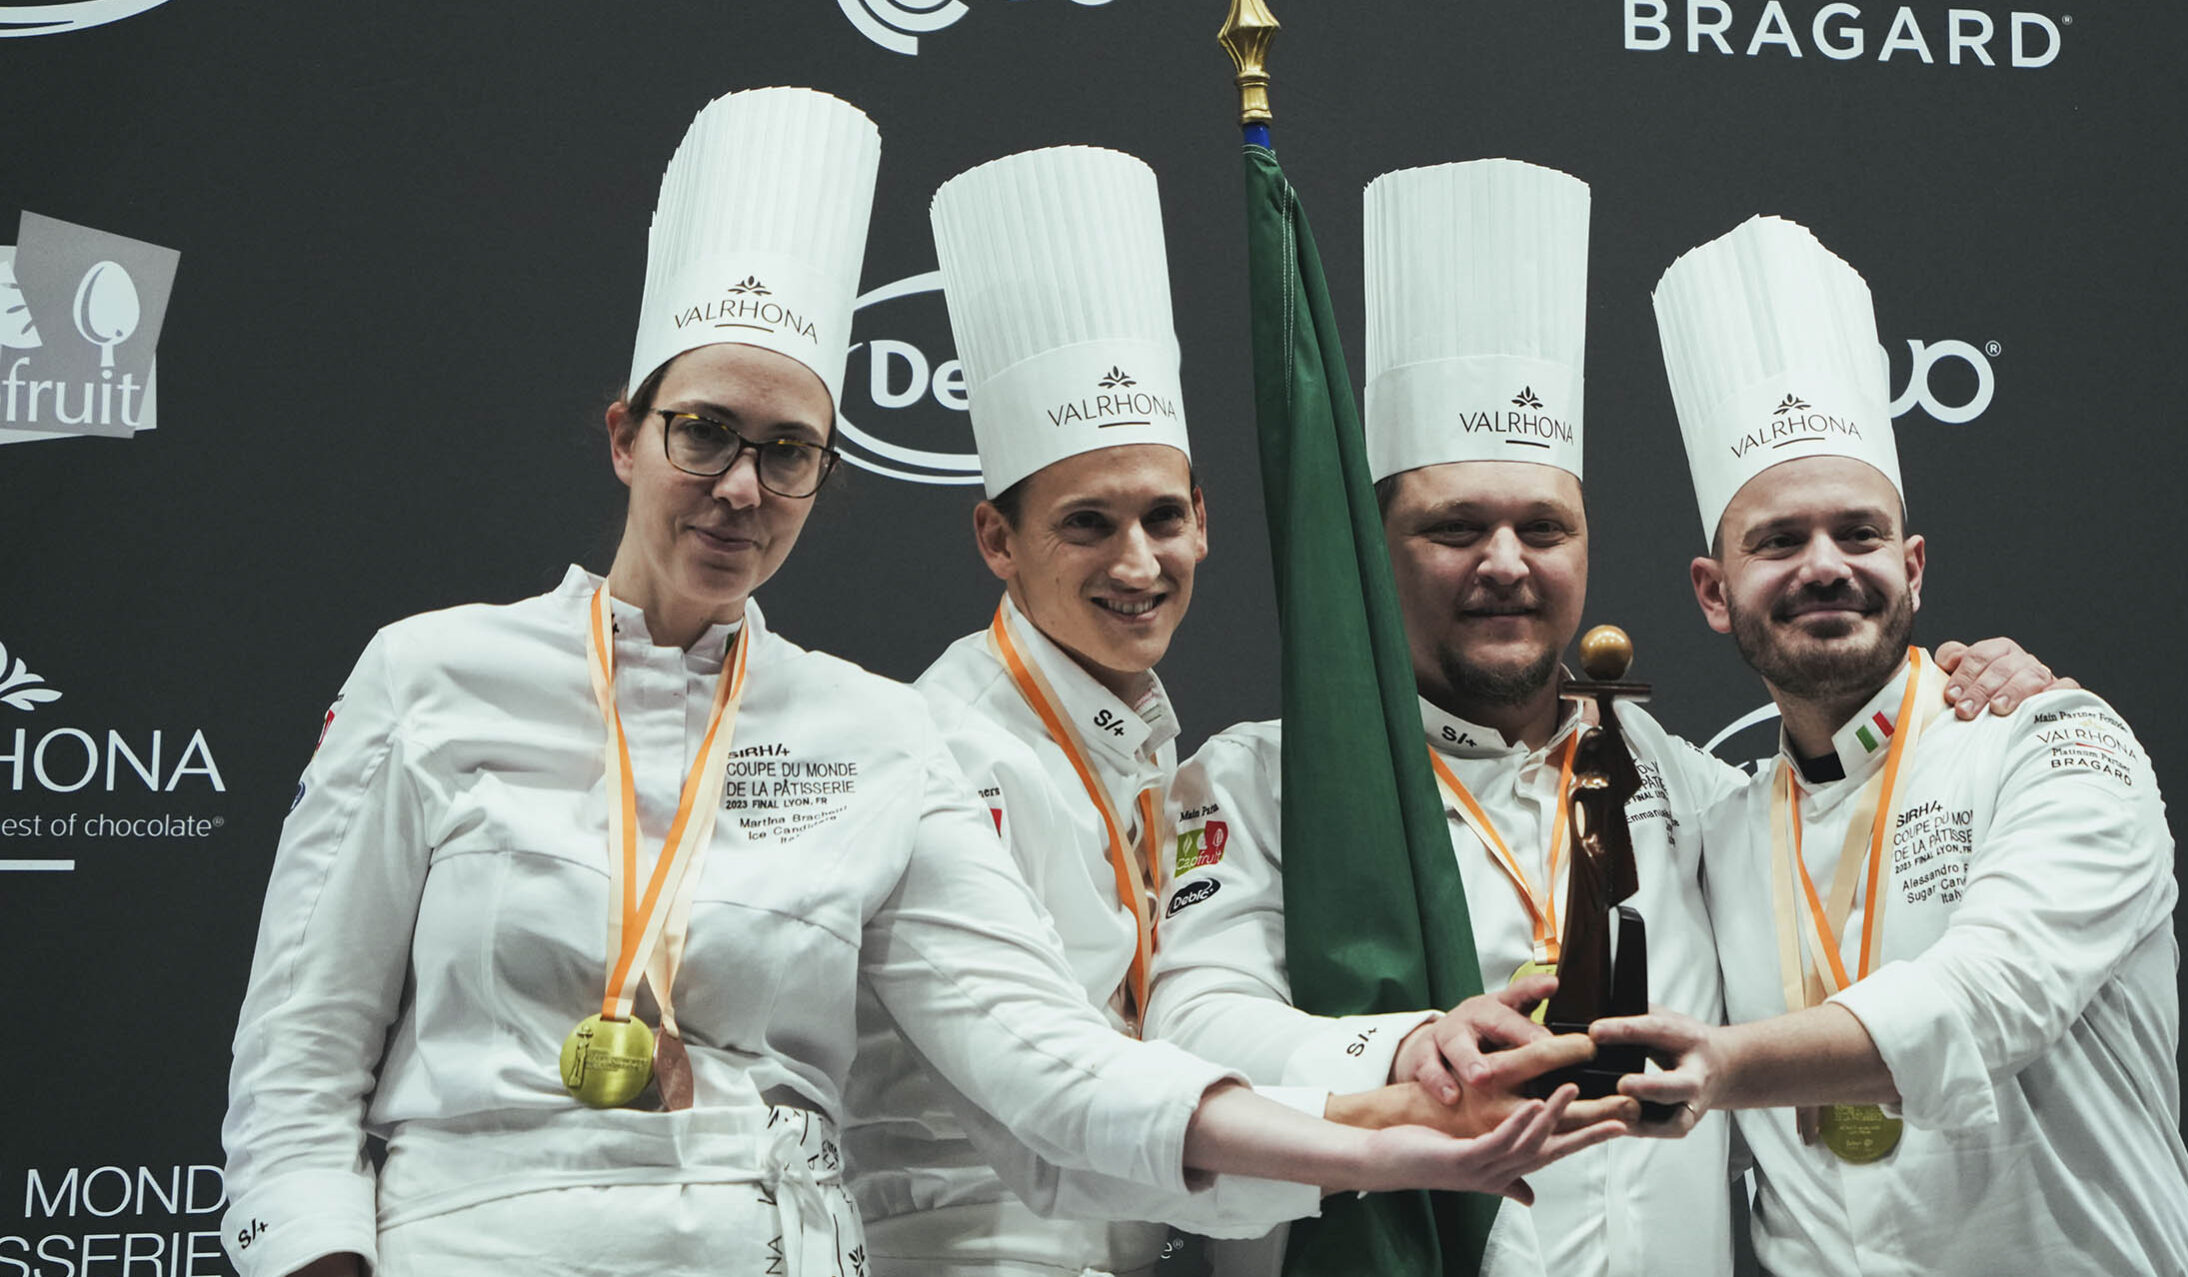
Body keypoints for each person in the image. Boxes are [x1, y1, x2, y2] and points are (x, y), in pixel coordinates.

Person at [216, 90, 1620, 1277]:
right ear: (625, 435)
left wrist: (1379, 1130)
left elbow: (1045, 1062)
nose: (742, 486)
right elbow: (297, 1077)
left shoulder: (871, 733)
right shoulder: (432, 676)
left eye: (789, 449)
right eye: (704, 432)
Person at [1148, 160, 2066, 1277]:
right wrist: (1405, 1044)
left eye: (1544, 527)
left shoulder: (1695, 792)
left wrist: (1976, 684)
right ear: (1375, 556)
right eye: (1454, 528)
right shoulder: (1260, 780)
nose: (1505, 563)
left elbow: (1852, 813)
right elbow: (1190, 1030)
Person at [841, 146, 1611, 1277]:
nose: (1137, 563)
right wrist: (1390, 1122)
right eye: (1087, 523)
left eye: (1162, 516)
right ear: (996, 538)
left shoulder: (1146, 747)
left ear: (1204, 519)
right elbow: (1056, 1086)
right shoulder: (943, 750)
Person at [1593, 214, 2188, 1274]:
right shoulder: (1717, 823)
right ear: (1713, 591)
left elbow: (1992, 992)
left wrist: (1723, 1064)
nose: (1824, 565)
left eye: (1859, 533)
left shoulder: (2053, 741)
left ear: (1913, 567)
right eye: (1778, 540)